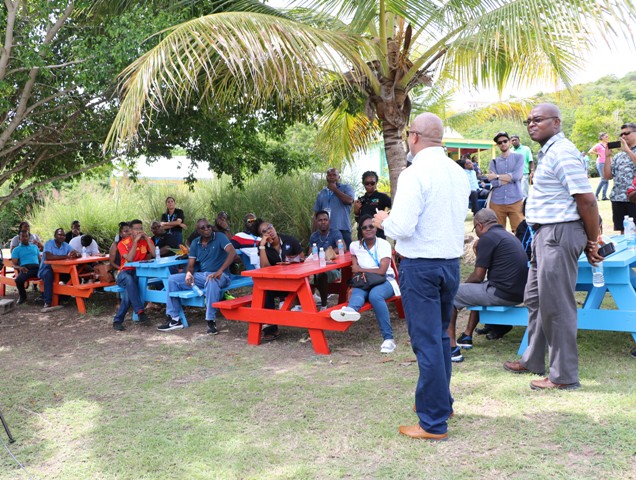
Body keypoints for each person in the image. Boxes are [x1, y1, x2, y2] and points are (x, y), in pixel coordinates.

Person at [373, 113, 470, 441]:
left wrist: (384, 219)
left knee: (427, 342)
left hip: (421, 267)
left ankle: (432, 422)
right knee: (440, 337)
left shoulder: (415, 174)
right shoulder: (459, 173)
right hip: (449, 264)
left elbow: (402, 228)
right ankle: (442, 403)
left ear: (412, 137)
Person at [503, 103, 601, 391]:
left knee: (557, 306)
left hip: (558, 234)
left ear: (556, 122)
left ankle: (564, 376)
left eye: (538, 120)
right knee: (535, 298)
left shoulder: (562, 152)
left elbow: (587, 200)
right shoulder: (547, 152)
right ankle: (533, 359)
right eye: (528, 120)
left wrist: (593, 241)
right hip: (543, 235)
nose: (531, 124)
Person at [448, 209, 529, 362]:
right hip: (518, 293)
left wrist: (464, 287)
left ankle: (451, 348)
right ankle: (466, 336)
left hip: (501, 293)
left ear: (479, 225)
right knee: (475, 292)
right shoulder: (506, 235)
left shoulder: (488, 238)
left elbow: (478, 276)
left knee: (450, 294)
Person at [331, 215, 400, 353]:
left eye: (371, 226)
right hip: (366, 280)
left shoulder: (383, 244)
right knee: (358, 290)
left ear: (376, 228)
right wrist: (358, 273)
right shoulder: (354, 246)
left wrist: (360, 269)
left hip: (386, 280)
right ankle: (351, 310)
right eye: (364, 227)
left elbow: (381, 271)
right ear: (360, 230)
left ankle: (388, 339)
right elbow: (354, 267)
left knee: (375, 296)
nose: (368, 229)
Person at [159, 218, 236, 334]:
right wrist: (188, 274)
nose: (207, 229)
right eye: (203, 228)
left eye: (208, 226)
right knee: (172, 279)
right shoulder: (196, 243)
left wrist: (220, 271)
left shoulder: (219, 237)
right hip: (203, 275)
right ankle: (175, 319)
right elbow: (191, 264)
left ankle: (211, 320)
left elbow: (232, 253)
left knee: (211, 280)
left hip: (221, 275)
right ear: (198, 231)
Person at [252, 218, 304, 341]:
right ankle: (271, 328)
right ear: (262, 236)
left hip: (295, 282)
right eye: (264, 231)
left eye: (270, 227)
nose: (269, 231)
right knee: (265, 292)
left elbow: (302, 258)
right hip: (278, 284)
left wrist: (290, 262)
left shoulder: (289, 240)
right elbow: (264, 268)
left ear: (274, 227)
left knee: (301, 288)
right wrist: (262, 247)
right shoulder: (264, 248)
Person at [113, 220, 155, 331]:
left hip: (139, 273)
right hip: (124, 273)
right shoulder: (123, 243)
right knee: (129, 279)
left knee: (129, 290)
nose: (139, 231)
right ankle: (140, 312)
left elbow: (155, 254)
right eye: (136, 229)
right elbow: (130, 259)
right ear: (131, 230)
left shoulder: (146, 240)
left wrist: (147, 239)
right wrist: (135, 242)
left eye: (141, 228)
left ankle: (117, 320)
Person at [487, 131, 525, 233]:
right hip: (497, 202)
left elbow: (516, 177)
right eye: (500, 142)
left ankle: (520, 249)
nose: (503, 144)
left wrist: (497, 176)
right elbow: (493, 183)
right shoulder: (493, 162)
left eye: (505, 141)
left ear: (509, 142)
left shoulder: (519, 157)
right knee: (497, 233)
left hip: (515, 200)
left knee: (520, 232)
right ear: (498, 145)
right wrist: (510, 178)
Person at [603, 123, 636, 233]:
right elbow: (607, 176)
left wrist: (628, 151)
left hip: (634, 198)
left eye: (627, 133)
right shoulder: (618, 156)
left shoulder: (629, 152)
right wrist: (607, 157)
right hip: (618, 198)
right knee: (624, 231)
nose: (623, 136)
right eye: (621, 134)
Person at [309, 210, 344, 310]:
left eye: (325, 219)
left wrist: (326, 254)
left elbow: (342, 247)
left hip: (333, 269)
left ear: (329, 221)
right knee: (303, 277)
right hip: (316, 268)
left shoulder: (335, 233)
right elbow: (310, 254)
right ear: (316, 222)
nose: (323, 222)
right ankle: (300, 305)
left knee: (322, 275)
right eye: (320, 220)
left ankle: (324, 305)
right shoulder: (314, 236)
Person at [38, 228, 79, 311]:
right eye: (60, 234)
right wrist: (66, 256)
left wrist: (76, 254)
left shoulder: (66, 245)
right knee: (48, 275)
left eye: (64, 235)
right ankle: (47, 302)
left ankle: (65, 297)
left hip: (60, 270)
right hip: (46, 269)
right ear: (55, 235)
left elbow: (77, 253)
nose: (62, 237)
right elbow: (49, 257)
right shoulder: (49, 244)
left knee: (73, 274)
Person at [313, 168, 355, 248]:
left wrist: (335, 189)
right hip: (326, 232)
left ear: (339, 177)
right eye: (329, 175)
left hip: (343, 230)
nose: (331, 177)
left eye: (334, 175)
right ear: (326, 177)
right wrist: (314, 233)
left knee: (345, 256)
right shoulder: (322, 193)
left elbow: (350, 200)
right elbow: (316, 215)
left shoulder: (346, 188)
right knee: (327, 256)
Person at [353, 171, 391, 239]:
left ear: (376, 183)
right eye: (367, 183)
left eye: (372, 183)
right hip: (363, 235)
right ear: (363, 184)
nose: (369, 185)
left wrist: (386, 218)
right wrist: (356, 213)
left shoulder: (382, 197)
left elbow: (395, 208)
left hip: (378, 235)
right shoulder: (361, 200)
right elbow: (359, 220)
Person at [11, 230, 41, 305]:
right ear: (19, 238)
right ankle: (23, 296)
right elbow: (14, 264)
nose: (25, 238)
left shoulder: (35, 247)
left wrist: (43, 267)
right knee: (18, 280)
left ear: (29, 237)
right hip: (26, 268)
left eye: (26, 236)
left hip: (37, 268)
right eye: (22, 236)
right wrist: (20, 268)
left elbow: (40, 259)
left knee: (49, 275)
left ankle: (45, 296)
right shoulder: (16, 250)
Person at [589, 132, 610, 201]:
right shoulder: (598, 145)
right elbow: (590, 151)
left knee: (607, 180)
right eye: (606, 136)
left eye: (607, 136)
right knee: (603, 179)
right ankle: (596, 195)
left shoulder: (608, 145)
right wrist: (597, 153)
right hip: (600, 163)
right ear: (602, 138)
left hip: (607, 163)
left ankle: (604, 196)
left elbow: (609, 154)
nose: (607, 138)